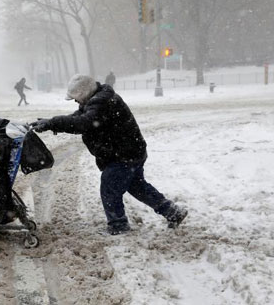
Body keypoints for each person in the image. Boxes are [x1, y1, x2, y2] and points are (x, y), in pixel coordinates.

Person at [30, 74, 187, 235]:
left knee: (109, 188)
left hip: (123, 155)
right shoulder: (97, 100)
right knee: (137, 186)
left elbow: (84, 122)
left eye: (76, 98)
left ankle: (118, 226)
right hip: (131, 151)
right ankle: (173, 212)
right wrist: (51, 122)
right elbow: (79, 117)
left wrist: (53, 123)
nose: (75, 101)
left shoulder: (102, 102)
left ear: (84, 92)